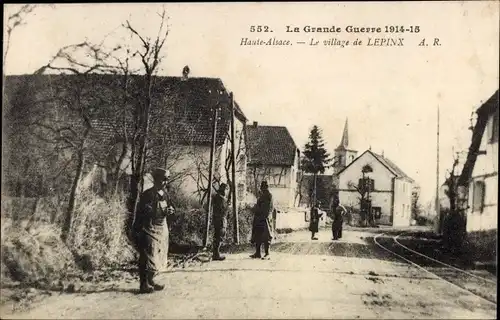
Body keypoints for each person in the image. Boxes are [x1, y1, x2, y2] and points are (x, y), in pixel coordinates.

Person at [134, 168, 175, 294]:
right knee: (147, 255)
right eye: (163, 179)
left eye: (166, 180)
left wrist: (171, 210)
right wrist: (157, 211)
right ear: (156, 179)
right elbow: (143, 211)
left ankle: (151, 280)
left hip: (161, 228)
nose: (165, 182)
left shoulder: (165, 194)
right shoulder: (147, 194)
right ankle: (143, 284)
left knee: (158, 253)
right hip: (148, 227)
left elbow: (170, 206)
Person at [250, 181, 274, 260]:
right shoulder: (262, 195)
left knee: (266, 236)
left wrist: (255, 209)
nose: (262, 188)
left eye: (263, 187)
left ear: (265, 187)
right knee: (258, 235)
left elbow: (265, 208)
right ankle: (258, 253)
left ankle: (267, 253)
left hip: (264, 218)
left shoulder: (268, 196)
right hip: (259, 218)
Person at [212, 183, 228, 261]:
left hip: (217, 219)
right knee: (220, 236)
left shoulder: (216, 197)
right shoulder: (221, 199)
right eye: (226, 189)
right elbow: (223, 210)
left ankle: (215, 253)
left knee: (217, 235)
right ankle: (216, 254)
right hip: (221, 219)